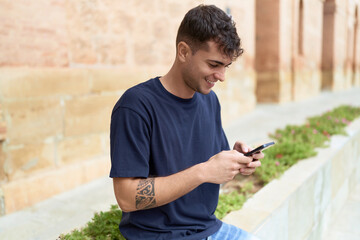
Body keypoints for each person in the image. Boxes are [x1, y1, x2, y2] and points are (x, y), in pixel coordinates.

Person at [110, 4, 264, 240]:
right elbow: (126, 197)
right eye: (213, 65)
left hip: (209, 229)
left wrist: (236, 160)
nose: (221, 77)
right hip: (159, 235)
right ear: (183, 52)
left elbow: (210, 165)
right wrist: (204, 171)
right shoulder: (135, 106)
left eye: (226, 67)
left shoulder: (209, 101)